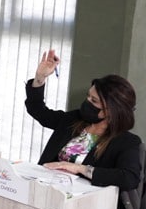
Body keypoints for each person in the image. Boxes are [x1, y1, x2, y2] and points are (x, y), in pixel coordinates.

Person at [25, 50, 141, 190]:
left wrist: (81, 169)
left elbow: (129, 178)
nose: (87, 102)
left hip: (83, 204)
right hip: (44, 190)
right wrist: (39, 78)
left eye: (94, 101)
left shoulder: (127, 142)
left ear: (112, 110)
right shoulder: (73, 119)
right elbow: (37, 110)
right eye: (88, 96)